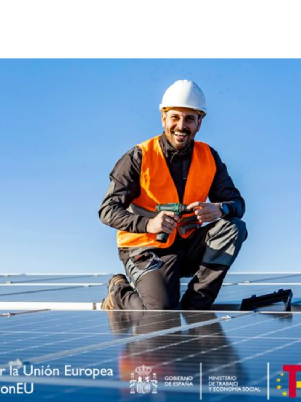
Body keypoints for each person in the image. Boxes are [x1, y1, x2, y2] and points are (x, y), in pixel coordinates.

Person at [99, 80, 248, 310]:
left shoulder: (209, 156)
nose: (181, 125)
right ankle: (119, 291)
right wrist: (148, 224)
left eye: (189, 118)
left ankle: (196, 306)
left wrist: (219, 209)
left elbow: (237, 203)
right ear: (163, 118)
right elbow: (107, 210)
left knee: (233, 228)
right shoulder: (138, 157)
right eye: (175, 117)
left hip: (186, 246)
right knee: (159, 312)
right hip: (145, 248)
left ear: (200, 122)